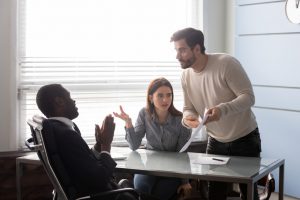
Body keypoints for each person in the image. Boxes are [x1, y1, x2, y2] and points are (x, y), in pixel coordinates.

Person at [170, 28, 262, 200]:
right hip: (215, 141)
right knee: (214, 194)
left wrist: (222, 110)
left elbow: (249, 97)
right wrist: (187, 118)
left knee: (248, 193)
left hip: (245, 139)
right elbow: (188, 108)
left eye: (182, 50)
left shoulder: (226, 63)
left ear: (197, 48)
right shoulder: (185, 76)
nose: (177, 56)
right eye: (176, 50)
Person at [35, 84, 154, 200]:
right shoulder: (66, 135)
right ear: (59, 102)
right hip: (100, 195)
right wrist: (106, 144)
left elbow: (83, 164)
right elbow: (100, 180)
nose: (74, 101)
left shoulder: (58, 129)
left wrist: (98, 144)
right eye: (69, 97)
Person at [113, 77, 192, 200]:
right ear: (151, 98)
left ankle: (128, 189)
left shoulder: (182, 119)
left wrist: (185, 181)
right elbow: (134, 145)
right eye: (160, 95)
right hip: (149, 168)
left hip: (172, 171)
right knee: (141, 190)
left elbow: (182, 154)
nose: (165, 100)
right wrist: (128, 123)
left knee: (157, 195)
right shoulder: (144, 114)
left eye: (169, 95)